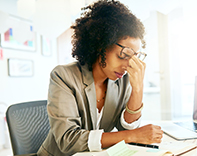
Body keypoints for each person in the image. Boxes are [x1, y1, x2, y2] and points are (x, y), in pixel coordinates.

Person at [37, 0, 163, 155]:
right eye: (124, 55)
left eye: (134, 58)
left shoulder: (121, 79)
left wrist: (138, 89)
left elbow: (126, 127)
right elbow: (68, 140)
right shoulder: (64, 76)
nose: (127, 65)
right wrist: (132, 136)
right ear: (101, 44)